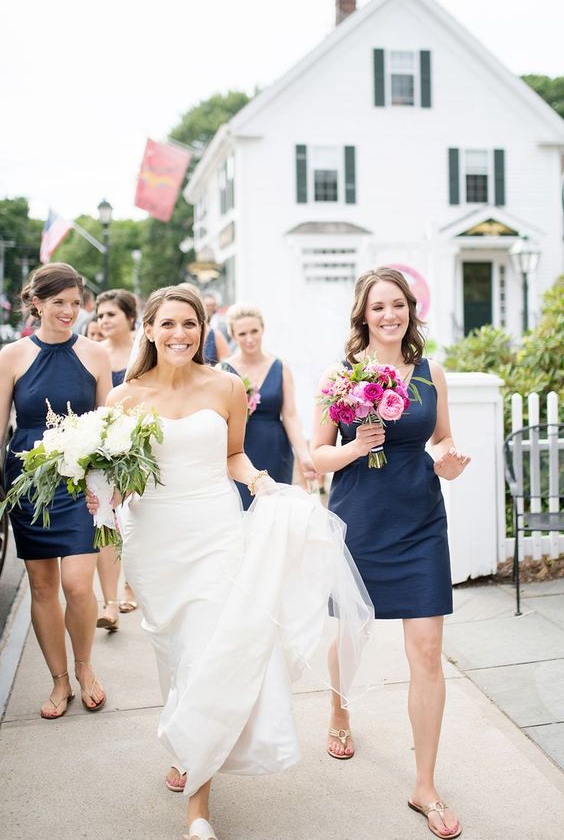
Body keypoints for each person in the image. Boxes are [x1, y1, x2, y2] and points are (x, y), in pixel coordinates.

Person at [87, 284, 372, 840]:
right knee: (173, 652)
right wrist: (102, 503)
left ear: (203, 329)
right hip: (155, 539)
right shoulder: (124, 398)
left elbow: (233, 456)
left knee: (205, 652)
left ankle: (198, 809)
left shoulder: (226, 386)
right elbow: (113, 478)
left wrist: (264, 482)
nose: (179, 334)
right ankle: (186, 739)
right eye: (167, 324)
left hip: (216, 531)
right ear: (149, 329)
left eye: (189, 324)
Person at [311, 267, 470, 840]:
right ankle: (338, 710)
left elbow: (440, 438)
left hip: (422, 522)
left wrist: (450, 457)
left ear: (410, 310)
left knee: (426, 651)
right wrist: (355, 446)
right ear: (364, 315)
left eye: (397, 304)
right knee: (350, 634)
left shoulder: (431, 374)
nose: (389, 315)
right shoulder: (340, 376)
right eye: (378, 306)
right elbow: (315, 456)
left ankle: (424, 784)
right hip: (361, 522)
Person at [0, 263, 112, 718]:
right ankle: (59, 680)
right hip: (29, 480)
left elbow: (109, 427)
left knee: (78, 586)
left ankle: (85, 667)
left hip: (81, 480)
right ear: (37, 303)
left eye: (74, 302)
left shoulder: (97, 354)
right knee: (43, 588)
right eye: (58, 302)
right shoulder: (10, 356)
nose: (69, 311)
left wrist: (105, 485)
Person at [222, 302, 316, 509]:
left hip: (276, 449)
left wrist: (304, 455)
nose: (249, 338)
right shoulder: (224, 371)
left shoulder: (280, 367)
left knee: (275, 512)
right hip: (239, 452)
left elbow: (290, 415)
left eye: (254, 331)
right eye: (242, 333)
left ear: (262, 329)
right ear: (233, 335)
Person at [95, 288, 139, 630]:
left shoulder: (144, 349)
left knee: (137, 520)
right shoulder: (95, 353)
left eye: (110, 314)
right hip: (103, 447)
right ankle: (109, 603)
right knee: (107, 520)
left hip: (140, 447)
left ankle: (131, 583)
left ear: (129, 317)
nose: (103, 321)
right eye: (99, 315)